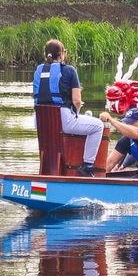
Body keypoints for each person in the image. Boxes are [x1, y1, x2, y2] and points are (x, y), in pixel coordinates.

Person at [33, 38, 104, 175]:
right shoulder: (69, 71)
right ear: (62, 55)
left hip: (40, 122)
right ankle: (87, 165)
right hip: (63, 120)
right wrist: (76, 113)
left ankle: (48, 167)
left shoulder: (38, 71)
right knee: (98, 126)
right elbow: (77, 101)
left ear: (45, 54)